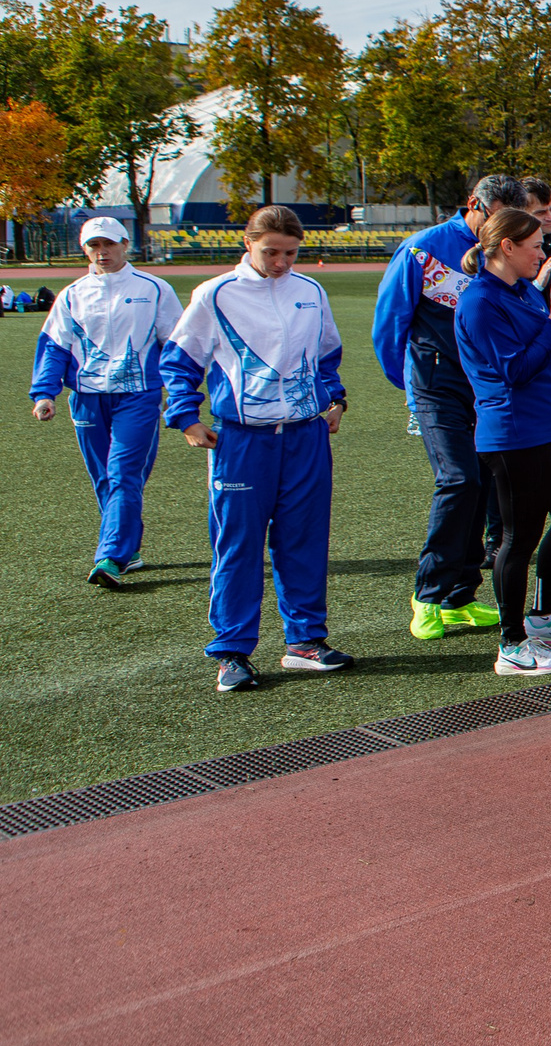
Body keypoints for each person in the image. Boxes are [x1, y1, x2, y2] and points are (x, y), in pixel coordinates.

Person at [162, 207, 350, 693]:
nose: (282, 262)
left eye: (291, 252)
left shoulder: (310, 292)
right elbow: (181, 359)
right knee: (238, 545)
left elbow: (326, 355)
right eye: (271, 252)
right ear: (248, 244)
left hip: (306, 437)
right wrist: (185, 418)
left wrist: (335, 400)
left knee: (304, 541)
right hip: (242, 441)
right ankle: (232, 653)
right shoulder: (217, 294)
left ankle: (305, 642)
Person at [374, 172, 527, 641]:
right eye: (492, 215)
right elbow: (390, 321)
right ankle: (427, 594)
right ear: (472, 204)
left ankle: (460, 596)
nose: (496, 227)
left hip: (485, 385)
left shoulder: (501, 251)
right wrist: (410, 387)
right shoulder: (422, 248)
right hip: (435, 383)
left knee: (482, 483)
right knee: (458, 479)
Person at [454, 205, 551, 675]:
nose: (545, 252)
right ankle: (511, 643)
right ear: (507, 246)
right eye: (536, 245)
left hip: (547, 427)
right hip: (514, 433)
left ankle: (539, 616)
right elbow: (514, 370)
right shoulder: (480, 301)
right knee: (519, 539)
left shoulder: (522, 291)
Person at [29, 215, 183, 588]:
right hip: (87, 399)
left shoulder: (155, 289)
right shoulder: (71, 296)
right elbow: (54, 348)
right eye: (94, 246)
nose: (102, 252)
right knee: (104, 479)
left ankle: (110, 555)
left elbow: (178, 345)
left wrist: (180, 394)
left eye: (109, 244)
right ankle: (128, 550)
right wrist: (44, 393)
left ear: (125, 245)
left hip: (139, 396)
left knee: (123, 474)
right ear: (85, 249)